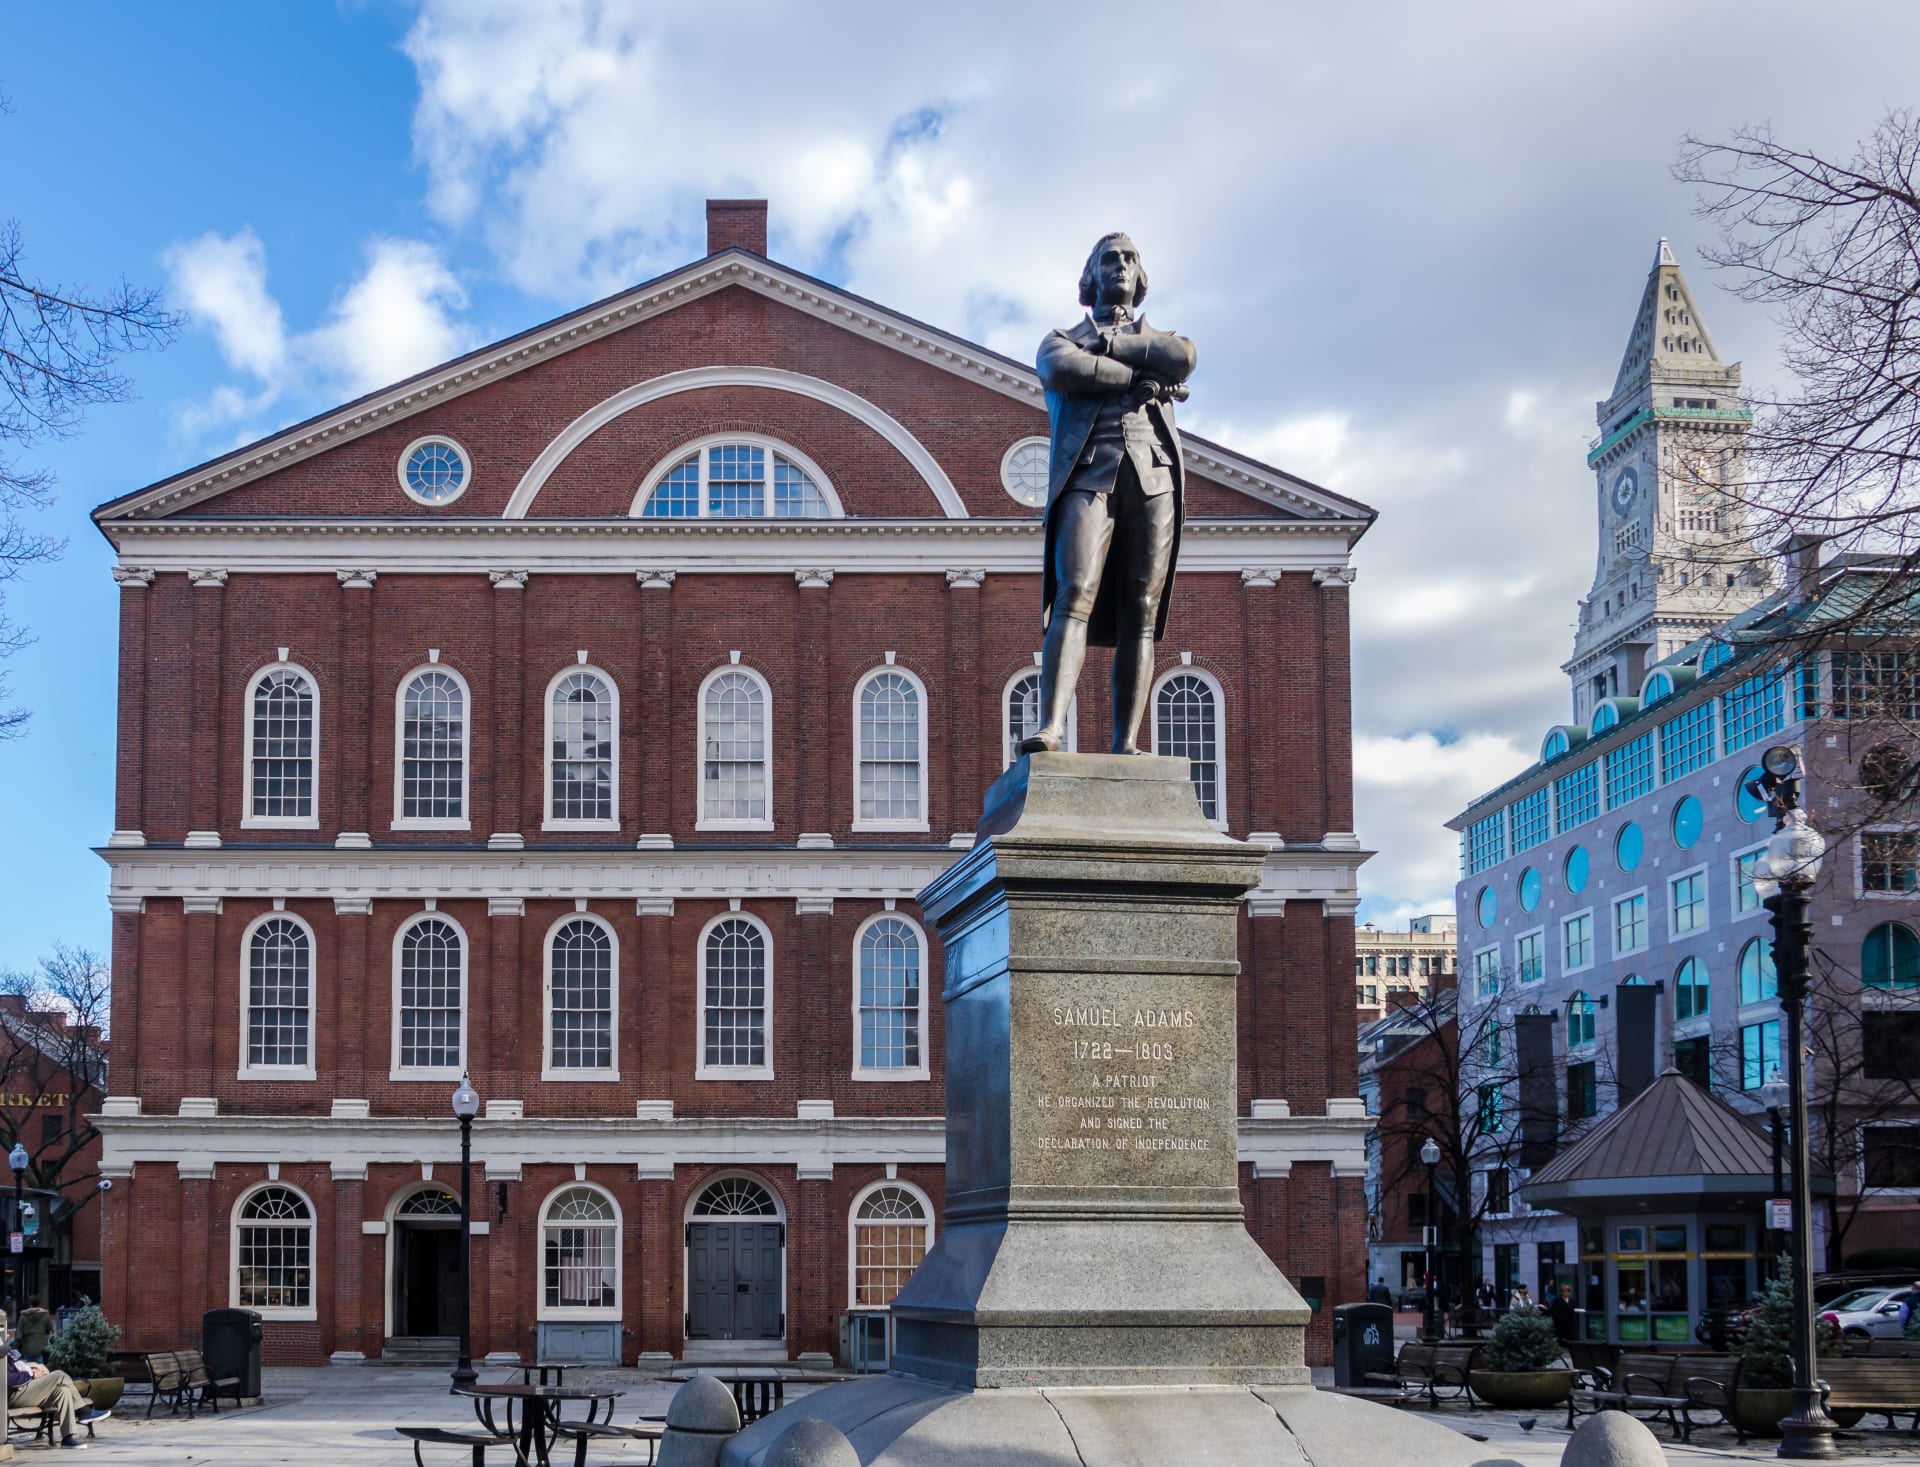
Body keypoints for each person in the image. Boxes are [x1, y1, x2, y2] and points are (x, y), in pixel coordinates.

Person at [1021, 232, 1197, 756]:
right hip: (1088, 474)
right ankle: (1052, 728)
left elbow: (1183, 357)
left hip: (1153, 476)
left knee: (1140, 607)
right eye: (1108, 259)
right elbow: (1062, 369)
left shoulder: (1163, 341)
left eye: (1129, 258)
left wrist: (1115, 347)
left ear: (1139, 276)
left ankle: (1126, 744)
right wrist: (1137, 379)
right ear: (1091, 276)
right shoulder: (1061, 339)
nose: (1119, 266)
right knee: (1073, 590)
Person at [7, 1327, 107, 1450]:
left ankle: (68, 1437)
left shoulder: (5, 1351)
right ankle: (83, 1412)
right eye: (3, 1332)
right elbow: (8, 1379)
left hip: (23, 1390)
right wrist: (29, 1375)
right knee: (59, 1375)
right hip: (13, 1395)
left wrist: (30, 1369)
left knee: (63, 1391)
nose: (7, 1335)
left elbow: (16, 1368)